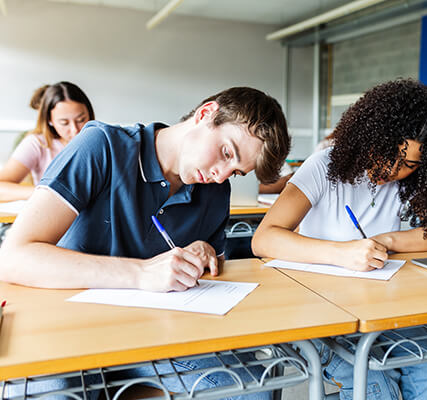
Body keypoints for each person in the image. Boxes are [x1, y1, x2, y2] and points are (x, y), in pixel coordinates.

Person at [0, 86, 290, 399]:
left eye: (235, 172)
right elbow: (14, 257)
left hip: (155, 335)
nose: (221, 175)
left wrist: (203, 255)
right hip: (68, 327)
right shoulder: (102, 146)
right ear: (206, 114)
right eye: (226, 153)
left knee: (254, 387)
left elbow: (212, 272)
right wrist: (142, 273)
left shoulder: (215, 191)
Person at [252, 79, 427, 400]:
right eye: (388, 153)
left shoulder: (416, 182)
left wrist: (386, 240)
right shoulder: (324, 166)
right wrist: (342, 253)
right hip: (321, 312)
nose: (392, 169)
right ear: (371, 135)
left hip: (383, 310)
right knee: (377, 387)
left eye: (409, 164)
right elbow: (264, 240)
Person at [0, 82, 94, 201]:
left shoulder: (101, 140)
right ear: (50, 120)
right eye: (64, 123)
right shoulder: (37, 143)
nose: (74, 130)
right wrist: (47, 191)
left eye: (81, 119)